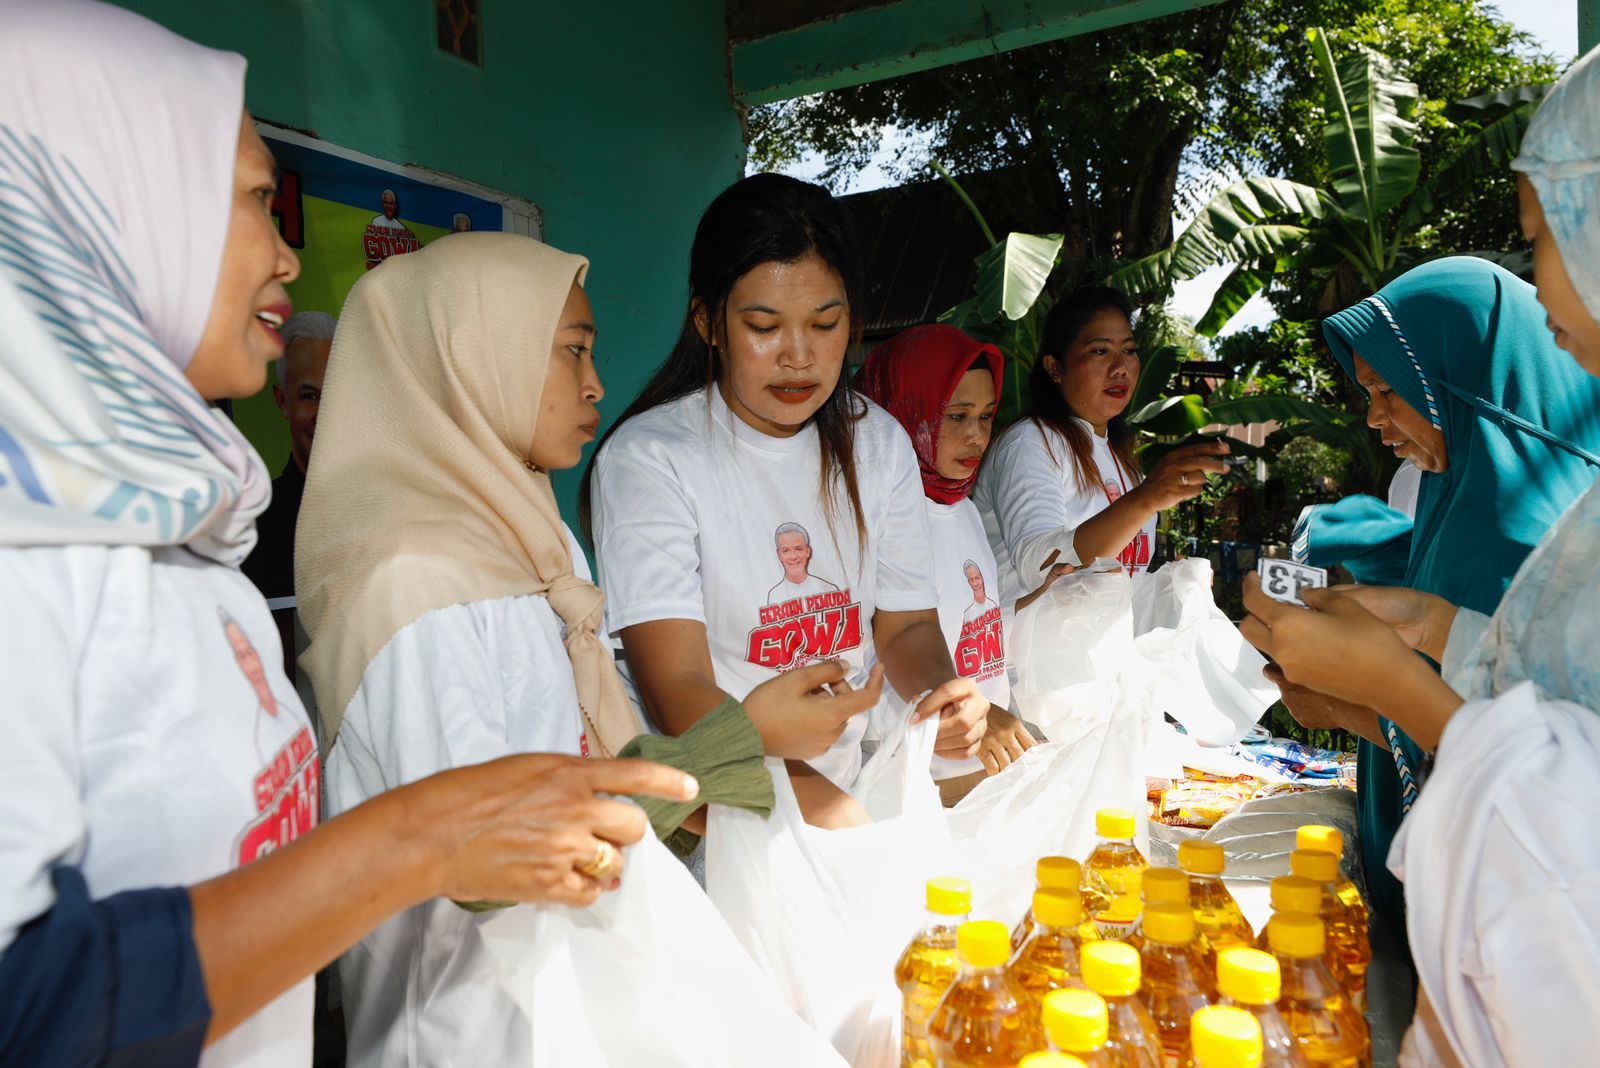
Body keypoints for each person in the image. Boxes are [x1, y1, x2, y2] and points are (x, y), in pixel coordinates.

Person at [0, 5, 696, 1065]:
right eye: (248, 203)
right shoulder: (27, 568)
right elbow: (27, 1005)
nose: (288, 257)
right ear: (103, 210)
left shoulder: (194, 555)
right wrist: (417, 836)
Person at [295, 231, 873, 1066]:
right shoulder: (416, 586)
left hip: (580, 996)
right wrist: (738, 742)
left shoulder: (530, 549)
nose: (596, 382)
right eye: (571, 351)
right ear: (473, 362)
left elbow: (577, 767)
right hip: (484, 1033)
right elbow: (497, 861)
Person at [1241, 46, 1600, 1066]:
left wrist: (1394, 688)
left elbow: (1553, 793)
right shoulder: (1474, 509)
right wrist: (1390, 663)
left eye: (1544, 238)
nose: (1538, 281)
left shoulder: (1538, 528)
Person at [585, 174, 989, 822]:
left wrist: (943, 694)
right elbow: (679, 689)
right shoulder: (650, 459)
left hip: (841, 795)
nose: (799, 357)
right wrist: (815, 807)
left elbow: (907, 624)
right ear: (707, 323)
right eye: (764, 326)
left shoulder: (876, 442)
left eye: (825, 324)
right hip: (720, 812)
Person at [1274, 256, 1600, 979]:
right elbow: (1450, 728)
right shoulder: (1459, 501)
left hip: (1525, 955)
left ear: (1456, 378)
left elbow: (1529, 772)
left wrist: (1377, 685)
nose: (1372, 418)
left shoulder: (1535, 535)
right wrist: (1344, 698)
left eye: (1388, 391)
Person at [855, 324, 1074, 799]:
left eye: (987, 415)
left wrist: (1025, 605)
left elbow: (964, 622)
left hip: (978, 764)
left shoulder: (963, 508)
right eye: (955, 416)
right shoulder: (877, 521)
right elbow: (883, 648)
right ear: (901, 414)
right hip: (910, 775)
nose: (976, 435)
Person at [973, 286, 1227, 606]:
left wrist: (1167, 584)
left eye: (1130, 350)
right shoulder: (1030, 442)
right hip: (1028, 651)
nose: (1120, 367)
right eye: (1100, 351)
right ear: (1054, 368)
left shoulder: (1121, 459)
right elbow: (1041, 568)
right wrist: (1145, 500)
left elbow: (1116, 583)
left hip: (1097, 648)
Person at [242, 310, 333, 601]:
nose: (326, 414)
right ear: (283, 402)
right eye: (311, 396)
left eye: (337, 392)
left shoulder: (397, 506)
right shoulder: (252, 532)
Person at [362, 188, 419, 270]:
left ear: (395, 205)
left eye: (391, 203)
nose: (388, 206)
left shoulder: (400, 227)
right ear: (382, 204)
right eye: (386, 203)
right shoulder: (376, 221)